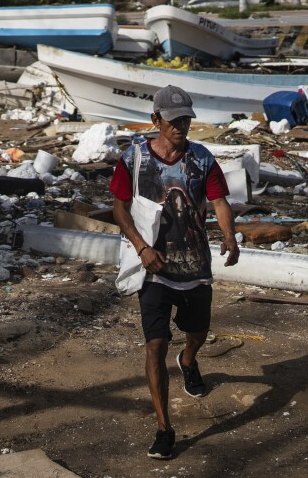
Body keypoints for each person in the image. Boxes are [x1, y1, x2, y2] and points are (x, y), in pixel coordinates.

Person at [111, 85, 239, 460]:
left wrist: (230, 237)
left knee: (196, 331)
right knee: (155, 344)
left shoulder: (202, 159)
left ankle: (189, 360)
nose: (181, 126)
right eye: (174, 120)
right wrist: (141, 246)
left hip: (195, 266)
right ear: (156, 120)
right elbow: (118, 208)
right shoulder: (133, 158)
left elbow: (218, 200)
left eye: (186, 119)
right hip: (153, 267)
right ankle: (164, 428)